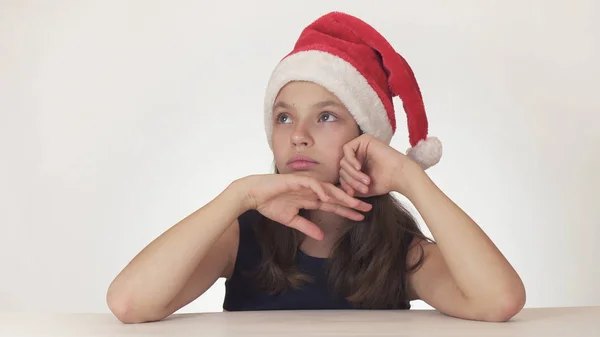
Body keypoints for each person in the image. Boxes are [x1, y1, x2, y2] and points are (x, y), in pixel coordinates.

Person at [106, 11, 526, 324]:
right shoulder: (240, 236)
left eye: (326, 116)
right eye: (284, 117)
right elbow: (129, 303)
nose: (298, 135)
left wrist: (410, 178)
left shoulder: (396, 249)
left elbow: (499, 301)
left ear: (366, 138)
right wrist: (238, 196)